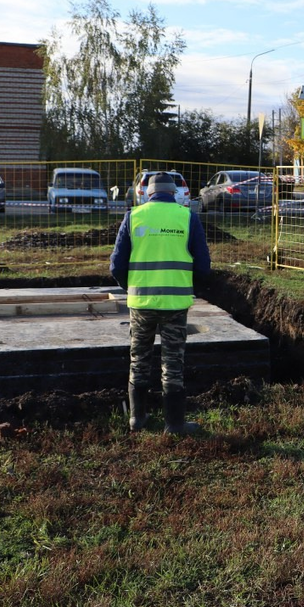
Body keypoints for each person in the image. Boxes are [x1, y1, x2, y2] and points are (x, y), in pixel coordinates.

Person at [110, 172, 211, 435]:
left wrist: (131, 287)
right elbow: (203, 266)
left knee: (139, 358)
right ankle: (174, 425)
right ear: (174, 193)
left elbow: (116, 265)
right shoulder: (187, 217)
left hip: (140, 303)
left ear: (148, 192)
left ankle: (137, 419)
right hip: (175, 304)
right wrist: (190, 289)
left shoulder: (134, 216)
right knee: (172, 362)